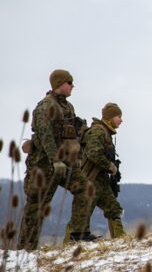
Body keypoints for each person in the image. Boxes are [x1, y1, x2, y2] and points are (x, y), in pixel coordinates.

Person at [18, 69, 94, 250]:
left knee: (85, 189)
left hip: (65, 163)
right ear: (59, 84)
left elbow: (71, 132)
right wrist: (54, 159)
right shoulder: (45, 107)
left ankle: (78, 234)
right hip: (43, 165)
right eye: (69, 83)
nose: (73, 86)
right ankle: (26, 250)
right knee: (37, 206)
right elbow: (45, 135)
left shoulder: (68, 107)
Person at [76, 103, 126, 239]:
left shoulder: (106, 133)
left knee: (114, 209)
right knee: (84, 212)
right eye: (119, 116)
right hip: (90, 179)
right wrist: (110, 166)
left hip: (100, 179)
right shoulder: (98, 131)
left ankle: (121, 239)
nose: (121, 120)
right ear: (110, 118)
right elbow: (93, 153)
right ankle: (71, 242)